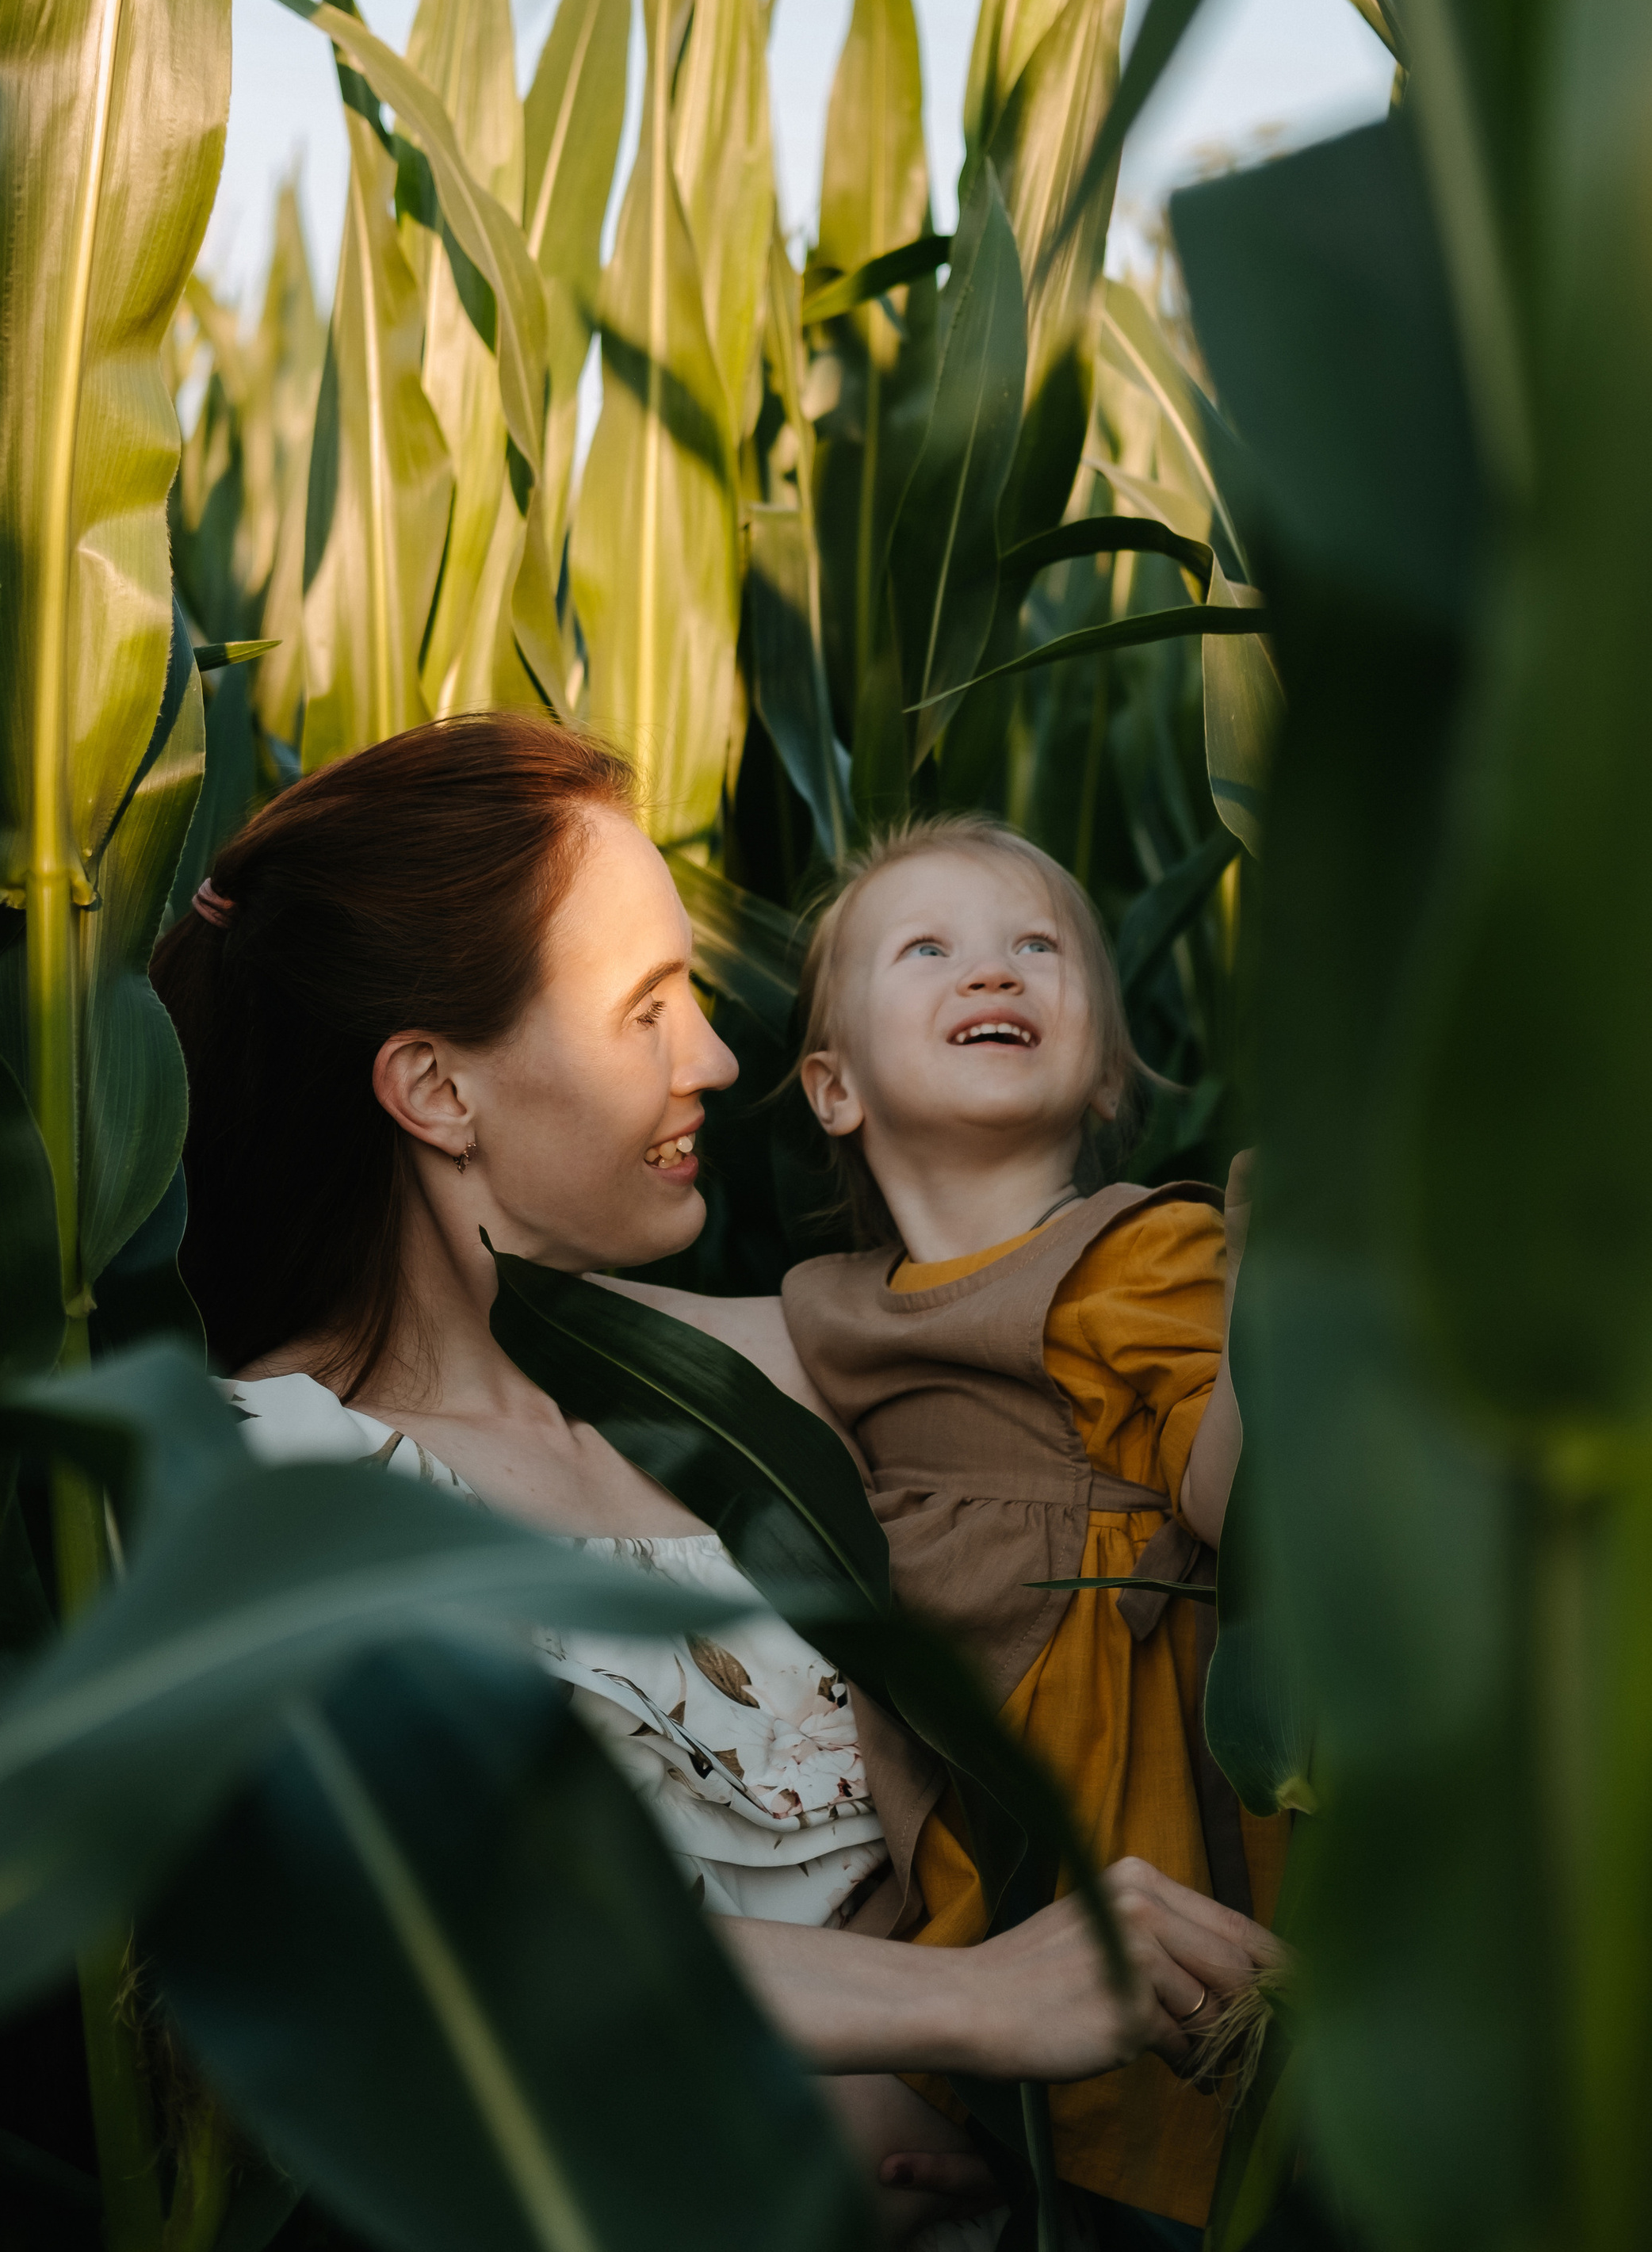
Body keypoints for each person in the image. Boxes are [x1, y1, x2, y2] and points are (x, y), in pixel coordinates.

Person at [151, 719, 1279, 2246]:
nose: (718, 1059)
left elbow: (1204, 1463)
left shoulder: (791, 1381)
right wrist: (970, 2007)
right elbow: (435, 1940)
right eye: (647, 1011)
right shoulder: (267, 1474)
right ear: (437, 1091)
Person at [761, 813, 1286, 2239]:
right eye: (928, 949)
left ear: (1106, 1068)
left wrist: (1273, 1314)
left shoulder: (1146, 1255)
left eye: (1036, 950)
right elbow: (593, 1332)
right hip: (974, 1912)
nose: (991, 972)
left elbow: (1247, 1507)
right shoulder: (838, 1307)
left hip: (1153, 1874)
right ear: (832, 1085)